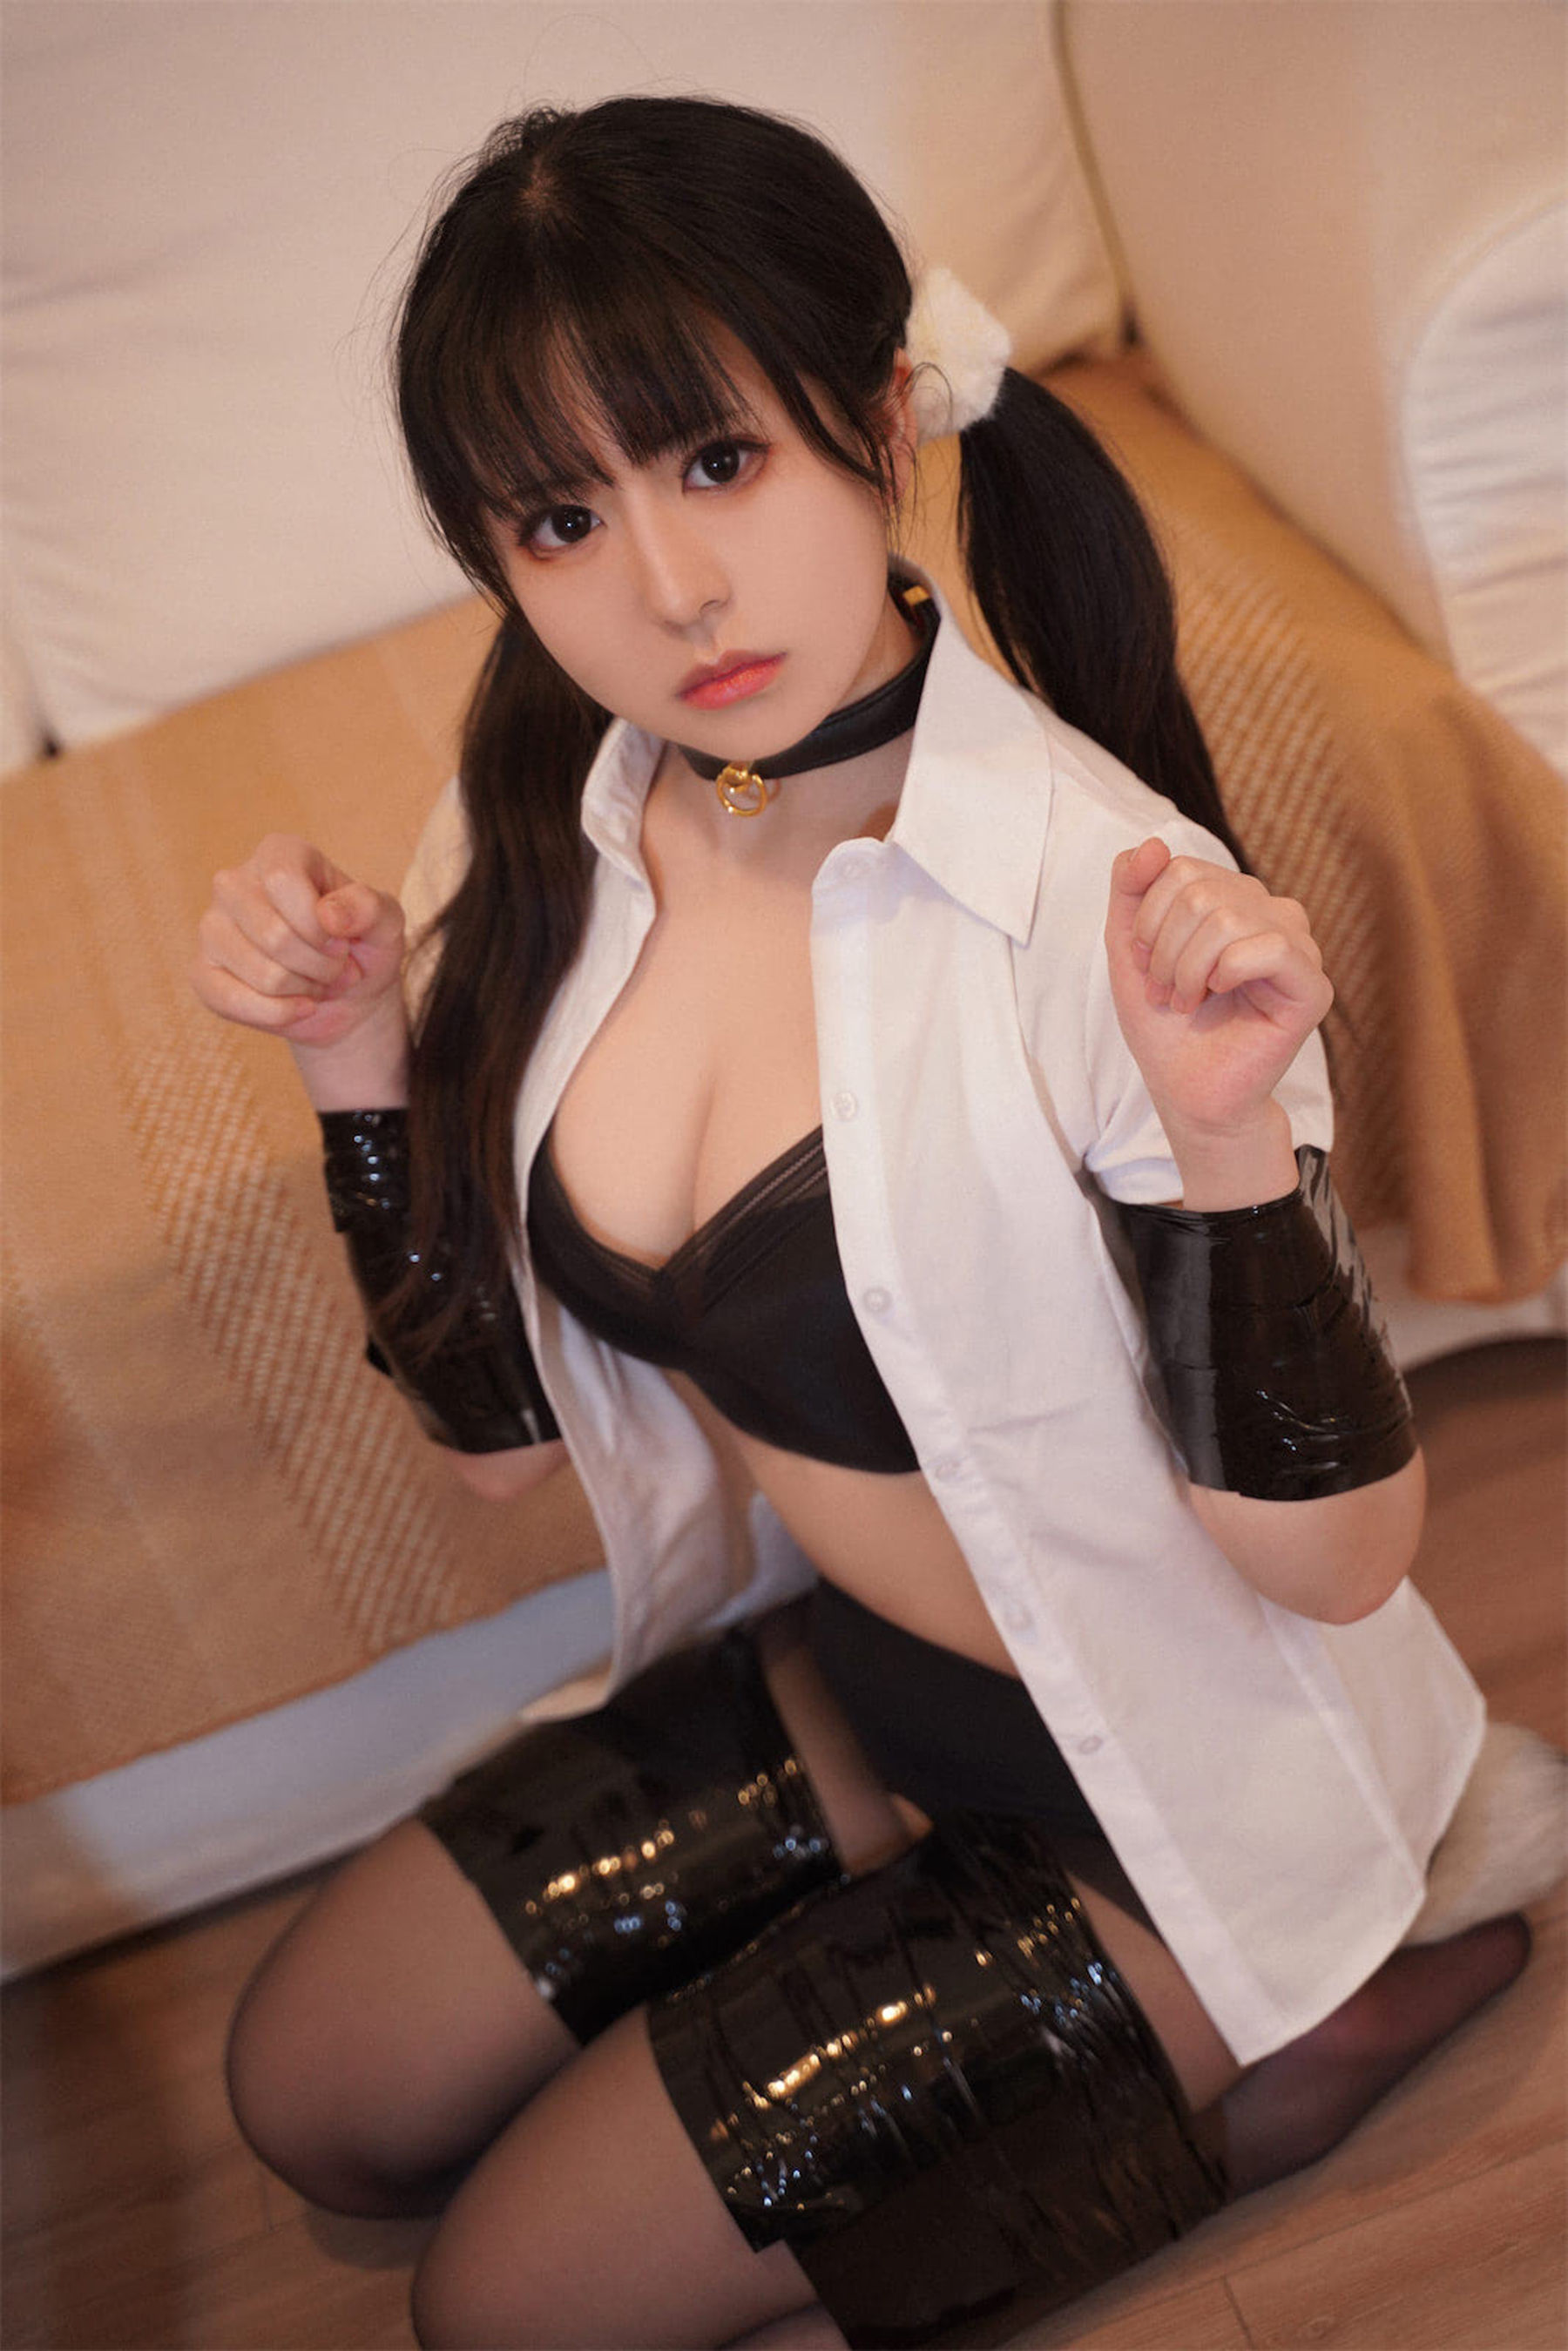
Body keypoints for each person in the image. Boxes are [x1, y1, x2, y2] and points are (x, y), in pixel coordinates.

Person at [191, 96, 1531, 2351]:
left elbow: (1339, 1564)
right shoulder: (548, 814)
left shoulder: (1103, 907)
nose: (669, 591)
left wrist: (1222, 1152)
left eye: (720, 460)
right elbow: (499, 1450)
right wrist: (354, 1064)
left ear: (883, 420)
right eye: (561, 517)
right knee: (314, 2093)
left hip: (1154, 1785)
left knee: (500, 2314)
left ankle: (1274, 2056)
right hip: (856, 1678)